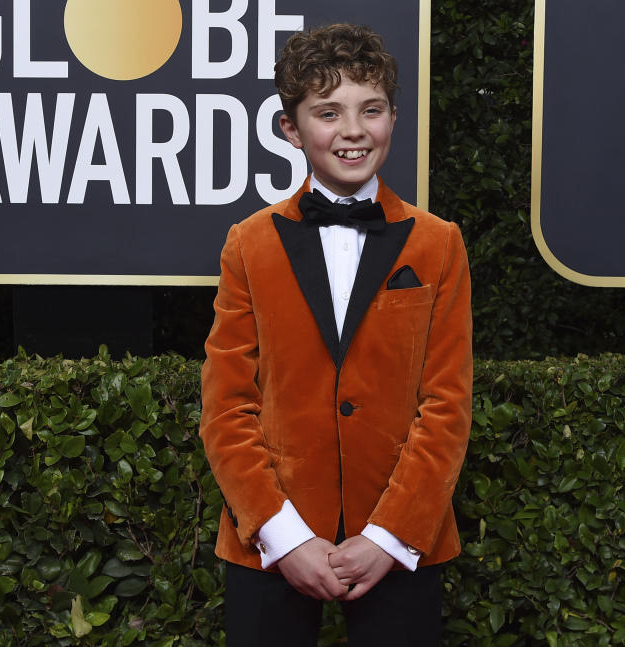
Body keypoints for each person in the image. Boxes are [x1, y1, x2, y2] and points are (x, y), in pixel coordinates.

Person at [199, 22, 472, 647]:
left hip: (401, 544)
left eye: (370, 109)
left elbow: (447, 405)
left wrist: (389, 536)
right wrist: (284, 536)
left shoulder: (439, 244)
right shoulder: (248, 244)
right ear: (290, 129)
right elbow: (226, 406)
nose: (353, 131)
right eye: (328, 112)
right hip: (273, 542)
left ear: (393, 118)